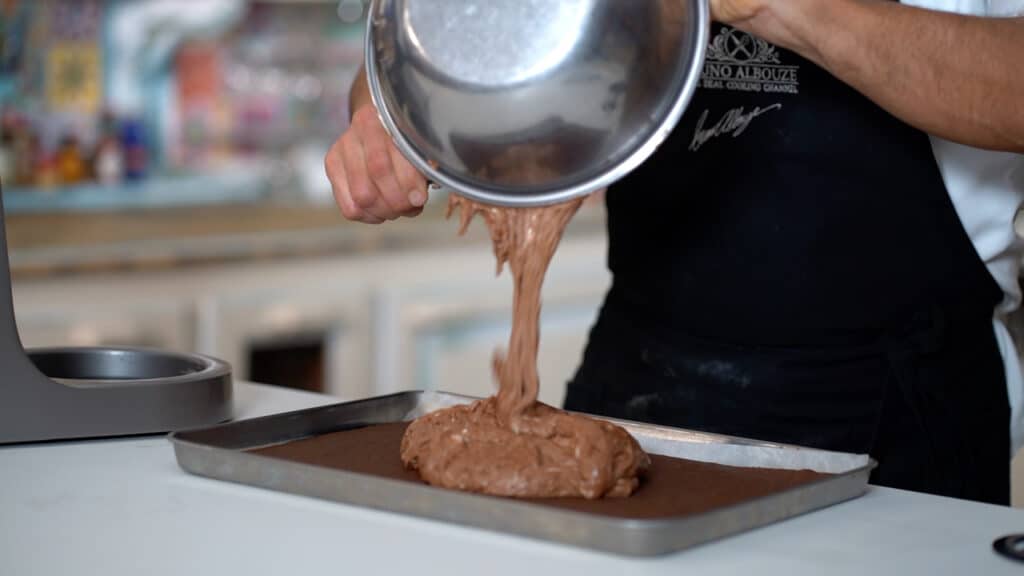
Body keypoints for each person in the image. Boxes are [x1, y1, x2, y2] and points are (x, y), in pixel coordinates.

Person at [325, 0, 1024, 505]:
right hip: (636, 378)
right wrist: (383, 118)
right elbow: (440, 35)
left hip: (891, 402)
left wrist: (774, 7)